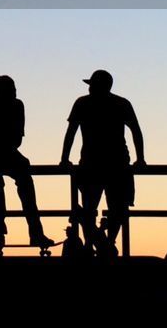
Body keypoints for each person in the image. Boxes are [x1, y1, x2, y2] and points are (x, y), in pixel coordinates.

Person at [60, 69, 145, 250]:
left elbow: (71, 133)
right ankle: (108, 242)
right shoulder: (121, 103)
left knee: (91, 208)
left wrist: (64, 159)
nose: (90, 88)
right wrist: (140, 159)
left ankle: (94, 243)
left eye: (92, 85)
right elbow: (136, 131)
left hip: (93, 163)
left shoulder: (82, 103)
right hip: (117, 163)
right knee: (117, 208)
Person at [0, 76, 49, 248]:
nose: (14, 92)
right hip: (0, 156)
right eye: (12, 89)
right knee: (19, 185)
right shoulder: (15, 106)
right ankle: (35, 233)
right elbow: (17, 141)